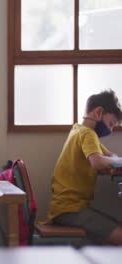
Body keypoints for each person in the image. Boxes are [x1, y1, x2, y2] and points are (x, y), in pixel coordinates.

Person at [47, 89, 122, 245]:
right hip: (71, 210)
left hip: (64, 208)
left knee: (116, 227)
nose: (110, 130)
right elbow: (97, 162)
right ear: (98, 112)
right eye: (111, 124)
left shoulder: (78, 130)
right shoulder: (88, 134)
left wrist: (114, 163)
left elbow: (109, 157)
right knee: (119, 234)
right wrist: (114, 162)